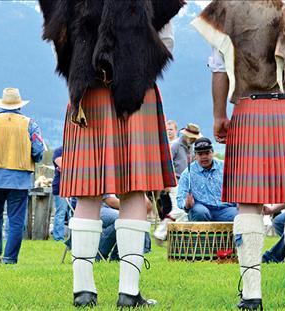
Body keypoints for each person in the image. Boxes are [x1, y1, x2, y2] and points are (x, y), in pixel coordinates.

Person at [40, 1, 184, 307]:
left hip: (88, 96)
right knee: (134, 191)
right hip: (136, 95)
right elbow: (167, 42)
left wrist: (83, 70)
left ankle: (83, 291)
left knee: (87, 194)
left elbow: (59, 40)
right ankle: (128, 292)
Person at [192, 2, 285, 309]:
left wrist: (218, 115)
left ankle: (251, 296)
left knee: (248, 204)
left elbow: (219, 63)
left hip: (250, 106)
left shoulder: (231, 5)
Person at [0, 87, 44, 264]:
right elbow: (38, 150)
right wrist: (31, 158)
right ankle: (10, 257)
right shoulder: (30, 124)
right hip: (19, 178)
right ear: (19, 105)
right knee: (16, 220)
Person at [176, 137, 238, 222]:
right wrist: (186, 204)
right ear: (195, 155)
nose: (204, 157)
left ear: (212, 152)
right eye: (200, 154)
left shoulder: (226, 167)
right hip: (201, 209)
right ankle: (201, 235)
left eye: (207, 153)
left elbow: (238, 188)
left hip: (225, 210)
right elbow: (180, 198)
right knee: (199, 212)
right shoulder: (187, 174)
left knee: (240, 215)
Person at [97, 194, 151, 262]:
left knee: (134, 217)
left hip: (112, 208)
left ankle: (117, 257)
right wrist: (135, 207)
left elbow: (147, 206)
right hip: (96, 207)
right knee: (122, 219)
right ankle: (100, 255)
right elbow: (110, 201)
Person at [51, 146, 69, 241]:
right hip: (61, 187)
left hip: (73, 187)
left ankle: (71, 238)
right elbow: (64, 166)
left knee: (71, 213)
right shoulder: (59, 151)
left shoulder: (76, 149)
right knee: (61, 213)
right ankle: (58, 238)